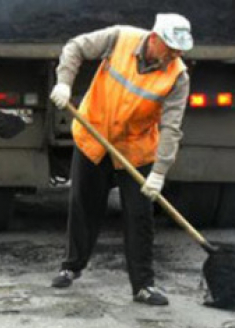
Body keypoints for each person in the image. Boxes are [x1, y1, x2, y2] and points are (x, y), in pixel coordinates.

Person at [49, 14, 193, 306]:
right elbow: (75, 47)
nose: (176, 56)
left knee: (139, 215)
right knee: (84, 204)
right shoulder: (120, 38)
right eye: (171, 48)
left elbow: (171, 127)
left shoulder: (178, 76)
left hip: (135, 148)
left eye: (180, 51)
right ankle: (71, 267)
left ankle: (143, 285)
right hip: (94, 136)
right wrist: (64, 82)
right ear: (155, 38)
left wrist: (160, 172)